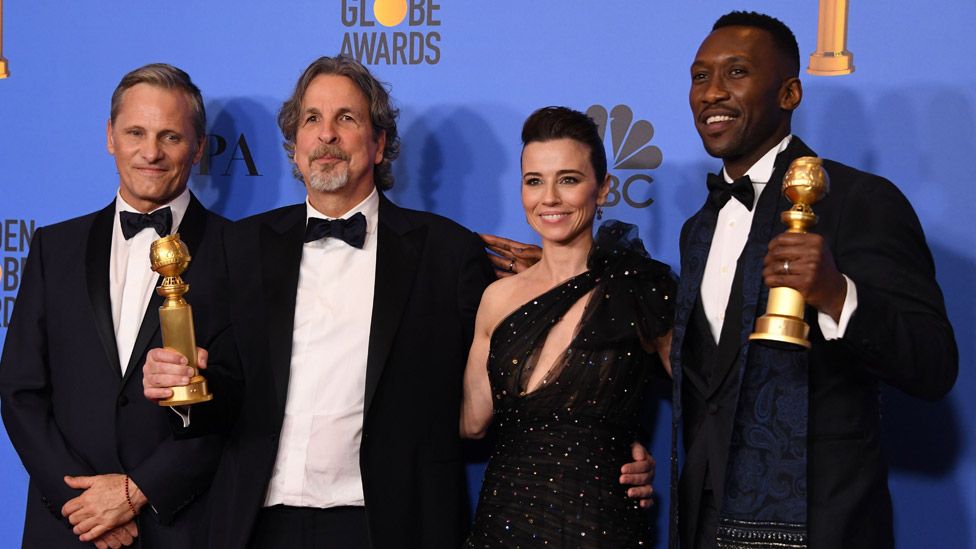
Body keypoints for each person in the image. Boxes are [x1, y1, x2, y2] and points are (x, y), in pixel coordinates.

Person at [141, 57, 655, 549]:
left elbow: (509, 384)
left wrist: (607, 440)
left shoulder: (449, 253)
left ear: (380, 142)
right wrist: (183, 390)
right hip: (260, 521)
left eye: (347, 118)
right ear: (294, 144)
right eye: (312, 119)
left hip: (391, 525)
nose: (327, 135)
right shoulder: (239, 246)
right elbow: (221, 390)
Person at [670, 11, 958, 548]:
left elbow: (933, 363)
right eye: (699, 76)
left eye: (736, 73)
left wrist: (835, 293)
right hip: (706, 524)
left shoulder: (859, 201)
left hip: (821, 525)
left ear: (790, 93)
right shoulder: (697, 230)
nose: (711, 93)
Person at [0, 64, 226, 548]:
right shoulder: (52, 248)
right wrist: (82, 504)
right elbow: (21, 392)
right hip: (68, 527)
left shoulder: (240, 252)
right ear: (110, 136)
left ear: (199, 147)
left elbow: (249, 404)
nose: (151, 153)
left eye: (171, 136)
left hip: (180, 527)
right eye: (135, 132)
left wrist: (138, 491)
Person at [461, 106, 676, 548]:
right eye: (534, 181)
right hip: (504, 524)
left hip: (601, 526)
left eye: (569, 179)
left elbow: (706, 403)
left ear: (603, 189)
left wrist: (646, 455)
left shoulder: (642, 288)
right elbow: (471, 422)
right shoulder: (496, 300)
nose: (550, 198)